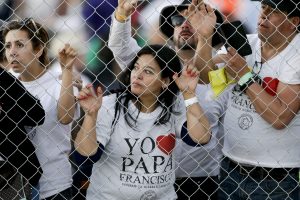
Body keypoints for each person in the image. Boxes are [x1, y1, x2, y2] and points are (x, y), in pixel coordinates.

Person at [108, 0, 225, 199]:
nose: (185, 24)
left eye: (195, 19)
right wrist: (122, 14)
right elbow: (120, 47)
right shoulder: (154, 66)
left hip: (202, 181)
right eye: (178, 19)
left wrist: (205, 39)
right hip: (150, 177)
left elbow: (207, 77)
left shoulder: (223, 72)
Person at [73, 44, 212, 200]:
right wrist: (91, 116)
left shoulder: (174, 105)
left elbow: (201, 138)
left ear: (165, 81)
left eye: (148, 71)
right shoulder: (109, 105)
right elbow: (84, 156)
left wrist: (189, 94)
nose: (137, 75)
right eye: (136, 68)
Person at [201, 0, 300, 199]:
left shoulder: (297, 54)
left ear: (294, 21)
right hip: (230, 169)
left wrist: (244, 75)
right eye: (263, 7)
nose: (264, 14)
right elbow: (205, 76)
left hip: (276, 181)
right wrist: (204, 37)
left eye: (273, 11)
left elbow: (280, 118)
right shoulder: (247, 42)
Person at [3, 18, 78, 199]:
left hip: (54, 186)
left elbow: (66, 117)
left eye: (20, 45)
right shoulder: (5, 83)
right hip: (12, 186)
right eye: (7, 46)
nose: (12, 52)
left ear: (38, 50)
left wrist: (67, 70)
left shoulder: (60, 81)